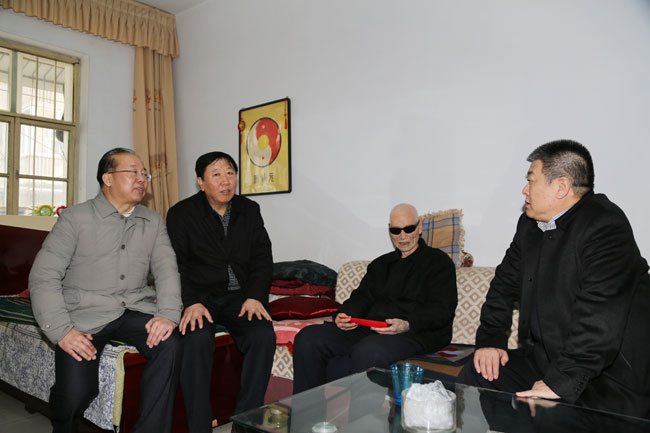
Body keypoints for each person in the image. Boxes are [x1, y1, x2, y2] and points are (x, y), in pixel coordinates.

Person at [459, 139, 650, 418]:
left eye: (531, 180)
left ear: (561, 186)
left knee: (550, 415)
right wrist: (491, 340)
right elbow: (503, 284)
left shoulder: (605, 226)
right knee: (480, 373)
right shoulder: (529, 226)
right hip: (546, 360)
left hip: (605, 377)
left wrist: (561, 381)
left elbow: (600, 315)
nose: (524, 190)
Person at [29, 148, 183, 433]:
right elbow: (43, 276)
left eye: (144, 174)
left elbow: (166, 270)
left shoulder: (152, 221)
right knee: (76, 392)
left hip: (133, 308)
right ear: (107, 178)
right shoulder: (75, 218)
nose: (142, 179)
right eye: (133, 172)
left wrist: (168, 315)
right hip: (84, 314)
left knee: (169, 344)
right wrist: (62, 331)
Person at [292, 203, 458, 394]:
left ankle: (362, 415)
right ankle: (307, 409)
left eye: (409, 229)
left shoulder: (438, 262)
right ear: (389, 231)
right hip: (371, 328)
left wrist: (407, 324)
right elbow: (362, 297)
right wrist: (344, 315)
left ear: (419, 227)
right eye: (396, 230)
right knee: (308, 337)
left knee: (369, 350)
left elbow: (442, 309)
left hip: (415, 332)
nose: (403, 236)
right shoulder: (381, 264)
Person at [166, 151, 276, 432]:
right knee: (195, 339)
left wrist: (255, 296)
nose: (226, 181)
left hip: (240, 297)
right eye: (216, 174)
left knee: (263, 335)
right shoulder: (181, 214)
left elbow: (262, 257)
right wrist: (190, 302)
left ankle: (245, 425)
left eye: (230, 173)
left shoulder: (249, 209)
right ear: (201, 182)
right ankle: (199, 427)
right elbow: (176, 264)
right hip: (200, 298)